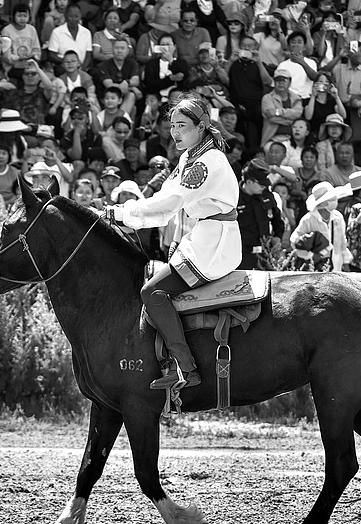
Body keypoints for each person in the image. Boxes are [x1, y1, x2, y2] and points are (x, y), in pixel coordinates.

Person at [105, 93, 239, 391]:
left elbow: (168, 207)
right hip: (200, 235)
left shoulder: (208, 163)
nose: (175, 132)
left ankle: (185, 368)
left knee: (152, 292)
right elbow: (163, 198)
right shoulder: (191, 156)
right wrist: (125, 212)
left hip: (213, 244)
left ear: (201, 126)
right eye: (172, 125)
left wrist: (120, 213)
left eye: (182, 125)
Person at [235, 158, 284, 269]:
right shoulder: (234, 198)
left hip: (265, 255)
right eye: (260, 184)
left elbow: (277, 219)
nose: (263, 187)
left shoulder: (266, 195)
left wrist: (277, 237)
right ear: (249, 181)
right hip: (242, 256)